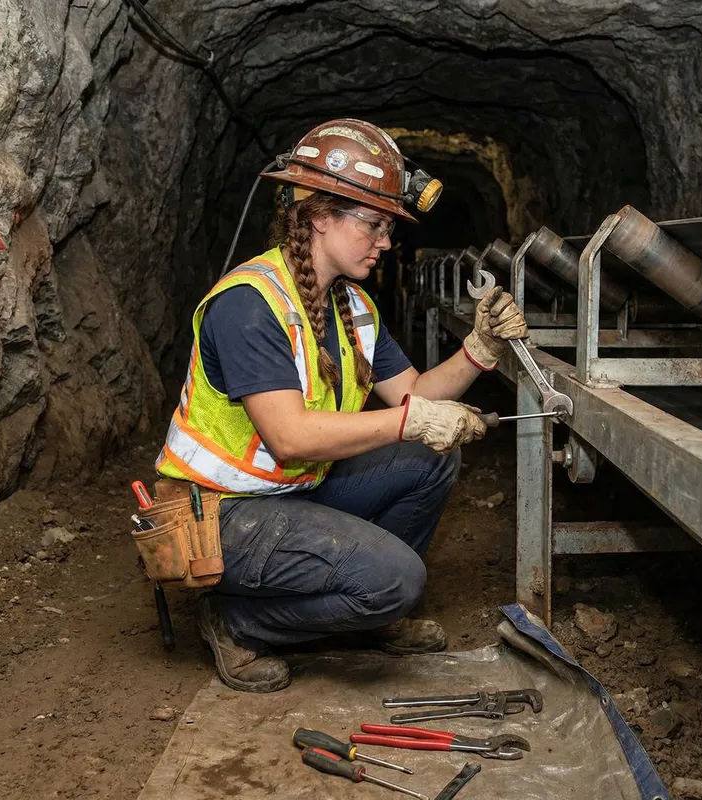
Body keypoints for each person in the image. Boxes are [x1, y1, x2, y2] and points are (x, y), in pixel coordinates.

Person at [155, 119, 528, 693]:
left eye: (388, 228)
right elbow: (290, 437)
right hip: (221, 516)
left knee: (431, 458)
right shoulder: (250, 304)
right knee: (398, 581)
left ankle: (363, 609)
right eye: (373, 225)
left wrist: (479, 350)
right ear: (319, 216)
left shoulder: (351, 307)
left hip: (291, 492)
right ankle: (239, 621)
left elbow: (413, 395)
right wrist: (409, 421)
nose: (386, 242)